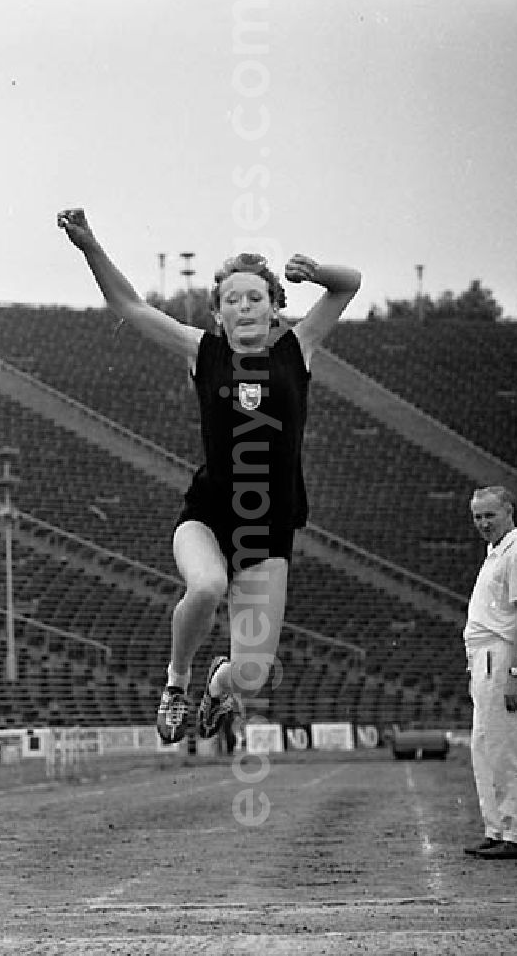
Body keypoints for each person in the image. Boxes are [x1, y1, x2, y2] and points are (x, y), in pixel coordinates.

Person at [57, 209, 360, 744]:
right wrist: (90, 246)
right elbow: (128, 305)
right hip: (207, 516)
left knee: (251, 675)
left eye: (255, 298)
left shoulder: (299, 349)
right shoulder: (205, 351)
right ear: (218, 314)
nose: (244, 306)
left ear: (274, 310)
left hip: (268, 535)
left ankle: (218, 688)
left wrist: (315, 273)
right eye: (232, 300)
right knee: (207, 585)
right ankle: (176, 685)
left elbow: (349, 285)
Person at [462, 486, 517, 860]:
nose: (483, 523)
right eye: (477, 516)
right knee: (485, 746)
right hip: (484, 658)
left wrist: (513, 672)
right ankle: (498, 828)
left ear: (508, 512)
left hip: (503, 655)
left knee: (509, 746)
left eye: (489, 515)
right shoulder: (494, 553)